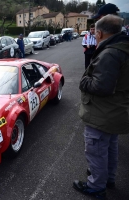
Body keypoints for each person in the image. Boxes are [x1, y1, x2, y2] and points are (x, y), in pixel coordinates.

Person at [73, 15, 129, 199]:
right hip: (115, 110)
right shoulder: (123, 47)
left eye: (96, 33)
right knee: (111, 147)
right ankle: (109, 179)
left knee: (96, 151)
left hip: (102, 112)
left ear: (100, 32)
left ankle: (96, 186)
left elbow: (101, 86)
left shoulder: (110, 53)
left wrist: (84, 81)